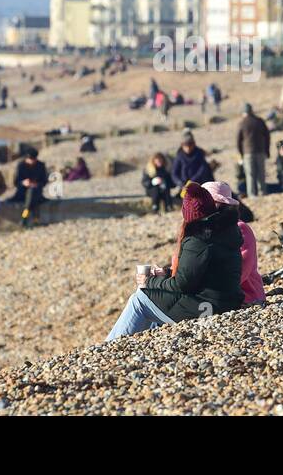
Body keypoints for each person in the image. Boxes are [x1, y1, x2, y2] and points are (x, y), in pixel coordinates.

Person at [105, 182, 244, 341]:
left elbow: (183, 284)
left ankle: (109, 346)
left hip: (209, 307)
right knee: (149, 298)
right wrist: (166, 274)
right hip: (222, 301)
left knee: (139, 300)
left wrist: (150, 281)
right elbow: (199, 273)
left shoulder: (200, 238)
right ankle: (141, 344)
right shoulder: (227, 229)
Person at [202, 182, 265, 305]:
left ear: (223, 204)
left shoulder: (240, 228)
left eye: (210, 201)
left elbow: (243, 268)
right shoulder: (204, 228)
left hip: (247, 294)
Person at [237, 103, 270, 197]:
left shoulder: (242, 123)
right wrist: (267, 150)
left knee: (250, 174)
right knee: (261, 173)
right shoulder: (259, 121)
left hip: (248, 152)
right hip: (260, 150)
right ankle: (263, 192)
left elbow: (238, 140)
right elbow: (267, 136)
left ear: (244, 112)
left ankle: (252, 194)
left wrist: (240, 153)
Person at [11, 147, 49, 227]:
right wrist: (23, 183)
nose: (32, 161)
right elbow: (16, 182)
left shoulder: (41, 165)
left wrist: (37, 184)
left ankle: (25, 217)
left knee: (32, 192)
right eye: (30, 159)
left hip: (37, 191)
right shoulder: (21, 165)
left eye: (33, 159)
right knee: (31, 195)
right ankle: (36, 220)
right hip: (23, 192)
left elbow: (44, 181)